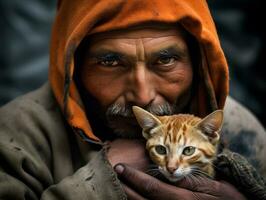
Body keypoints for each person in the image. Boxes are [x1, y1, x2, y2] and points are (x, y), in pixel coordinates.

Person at [0, 0, 265, 199]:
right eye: (110, 62)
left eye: (165, 60)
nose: (142, 96)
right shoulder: (16, 135)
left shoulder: (238, 128)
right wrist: (100, 183)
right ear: (72, 67)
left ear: (199, 63)